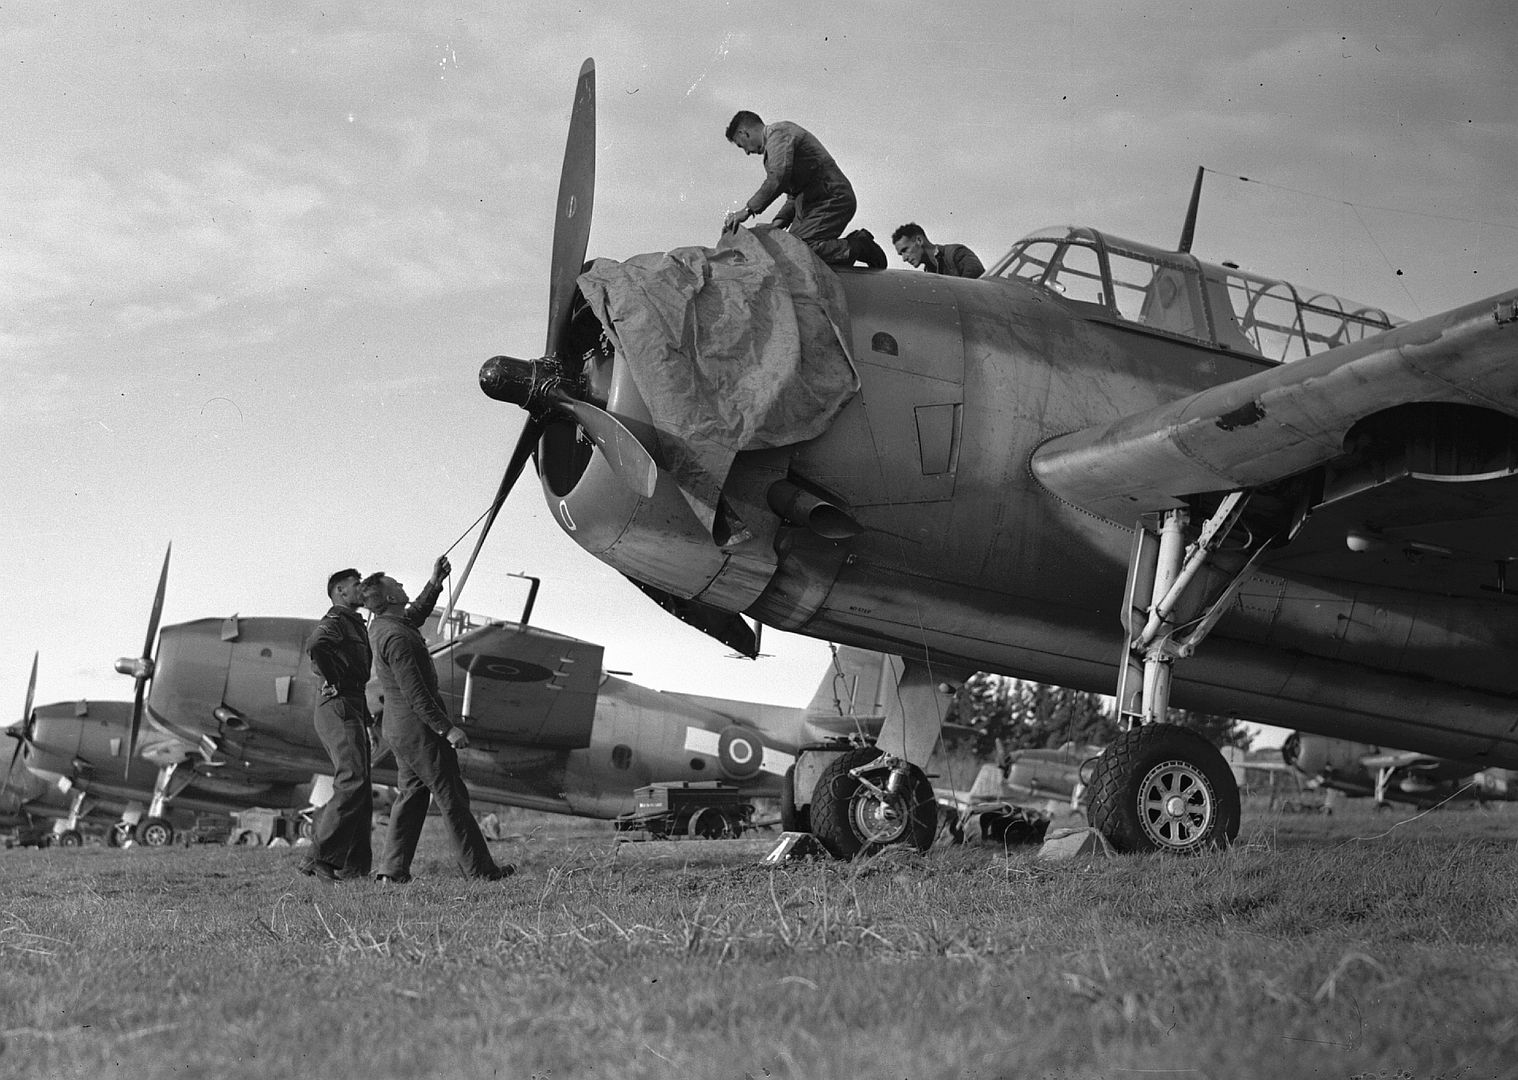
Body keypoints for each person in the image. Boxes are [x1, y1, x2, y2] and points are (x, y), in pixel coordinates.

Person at [362, 563, 511, 884]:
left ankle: (391, 870)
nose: (401, 583)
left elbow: (413, 615)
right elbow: (416, 693)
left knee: (412, 795)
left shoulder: (384, 627)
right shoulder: (397, 638)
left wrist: (435, 582)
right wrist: (448, 729)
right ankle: (481, 871)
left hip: (398, 728)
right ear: (389, 596)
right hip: (419, 731)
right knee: (451, 796)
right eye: (396, 583)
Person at [722, 110, 886, 269]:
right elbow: (792, 195)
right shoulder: (774, 147)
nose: (747, 152)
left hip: (831, 198)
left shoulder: (779, 134)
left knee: (800, 251)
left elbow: (778, 178)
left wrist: (747, 210)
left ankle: (859, 246)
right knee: (787, 251)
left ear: (744, 133)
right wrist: (776, 224)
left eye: (741, 145)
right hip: (813, 204)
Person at [298, 568, 380, 882]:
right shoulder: (334, 621)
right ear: (341, 591)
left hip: (352, 705)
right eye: (356, 585)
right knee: (353, 781)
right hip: (338, 705)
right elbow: (317, 646)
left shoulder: (353, 624)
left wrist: (369, 722)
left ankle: (354, 868)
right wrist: (332, 678)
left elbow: (357, 681)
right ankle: (318, 858)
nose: (362, 589)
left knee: (360, 785)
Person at [891, 223, 984, 278]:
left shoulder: (956, 253)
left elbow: (977, 288)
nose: (904, 258)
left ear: (919, 240)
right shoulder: (929, 274)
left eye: (905, 250)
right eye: (901, 254)